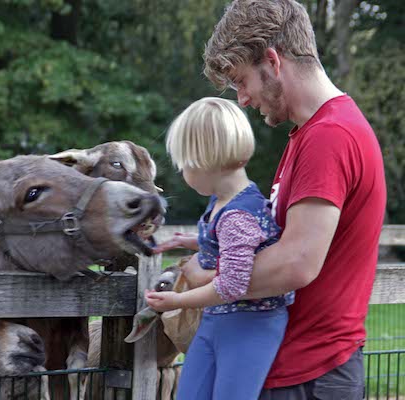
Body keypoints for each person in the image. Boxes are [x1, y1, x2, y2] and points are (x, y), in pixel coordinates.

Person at [151, 1, 387, 399]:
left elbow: (296, 263)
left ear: (273, 62)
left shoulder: (330, 137)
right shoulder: (310, 135)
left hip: (310, 374)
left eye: (242, 81)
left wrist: (207, 278)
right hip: (299, 369)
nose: (242, 99)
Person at [147, 96, 294, 400]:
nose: (184, 175)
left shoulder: (237, 215)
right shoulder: (223, 203)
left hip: (249, 324)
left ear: (204, 161)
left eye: (185, 166)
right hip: (218, 318)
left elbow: (232, 284)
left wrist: (178, 300)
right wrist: (190, 241)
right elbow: (230, 247)